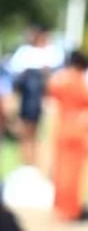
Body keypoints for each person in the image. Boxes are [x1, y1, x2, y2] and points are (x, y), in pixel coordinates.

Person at [45, 50, 88, 221]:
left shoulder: (58, 80)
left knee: (60, 169)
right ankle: (71, 210)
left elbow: (50, 98)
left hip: (62, 128)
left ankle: (60, 207)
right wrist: (86, 117)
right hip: (77, 130)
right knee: (74, 172)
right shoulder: (80, 81)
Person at [8, 25, 63, 166]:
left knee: (41, 134)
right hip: (28, 96)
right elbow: (16, 78)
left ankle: (35, 164)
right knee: (26, 132)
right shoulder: (25, 53)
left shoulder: (51, 53)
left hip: (42, 97)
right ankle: (27, 162)